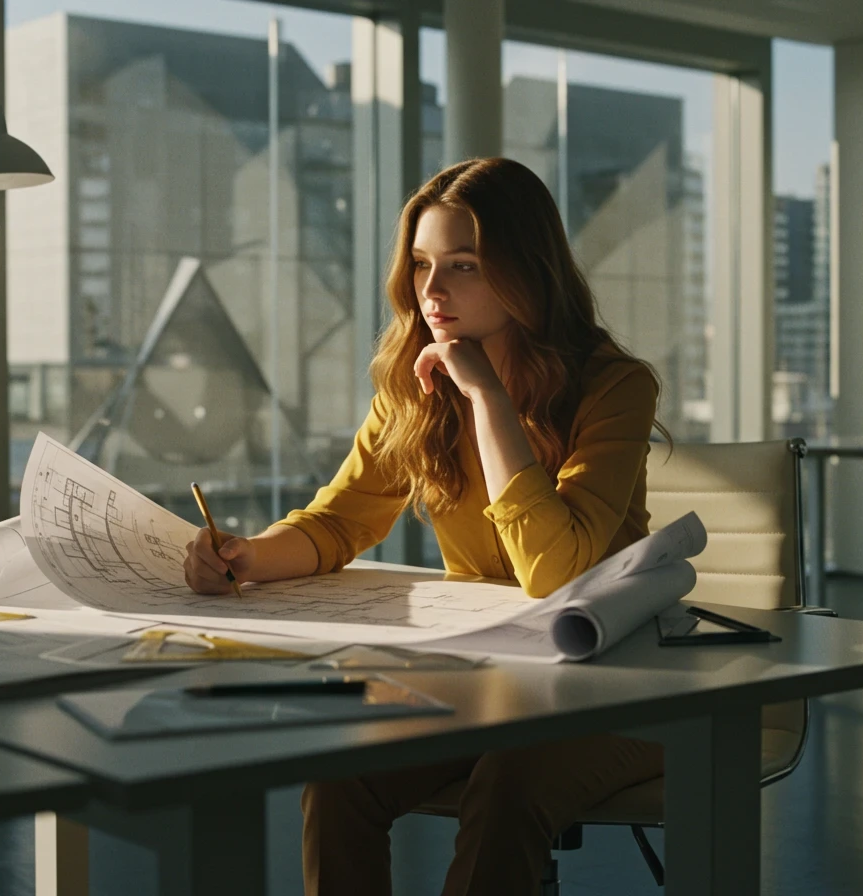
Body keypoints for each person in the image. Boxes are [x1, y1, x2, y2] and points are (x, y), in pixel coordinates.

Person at [184, 156, 668, 896]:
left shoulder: (613, 386)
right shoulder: (415, 387)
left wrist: (487, 398)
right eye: (419, 265)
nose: (432, 292)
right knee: (341, 773)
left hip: (616, 677)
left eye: (464, 266)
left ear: (525, 269)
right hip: (485, 669)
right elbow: (340, 519)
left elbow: (557, 574)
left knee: (509, 783)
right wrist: (246, 557)